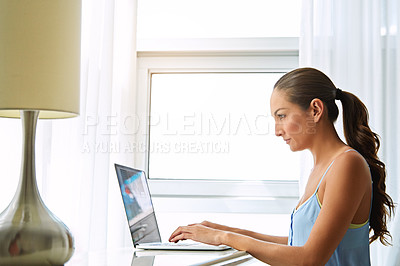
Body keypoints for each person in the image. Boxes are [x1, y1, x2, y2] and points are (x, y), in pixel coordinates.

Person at [169, 67, 395, 265]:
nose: (277, 130)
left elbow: (310, 258)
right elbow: (299, 244)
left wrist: (223, 238)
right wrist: (225, 230)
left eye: (282, 116)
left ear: (315, 110)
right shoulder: (322, 167)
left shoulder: (347, 164)